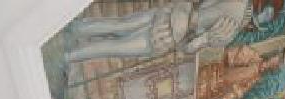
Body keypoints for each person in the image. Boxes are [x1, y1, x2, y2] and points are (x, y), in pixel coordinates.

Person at [65, 0, 252, 63]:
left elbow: (188, 48)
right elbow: (188, 48)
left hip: (167, 32)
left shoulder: (230, 28)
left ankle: (71, 44)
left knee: (116, 36)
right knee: (116, 34)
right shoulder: (232, 24)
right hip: (168, 22)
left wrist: (206, 38)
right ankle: (71, 39)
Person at [196, 45, 284, 99]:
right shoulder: (252, 56)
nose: (266, 66)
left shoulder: (256, 78)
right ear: (269, 57)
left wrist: (233, 92)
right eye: (270, 62)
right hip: (215, 74)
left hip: (220, 89)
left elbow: (241, 90)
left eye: (272, 66)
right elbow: (229, 55)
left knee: (200, 96)